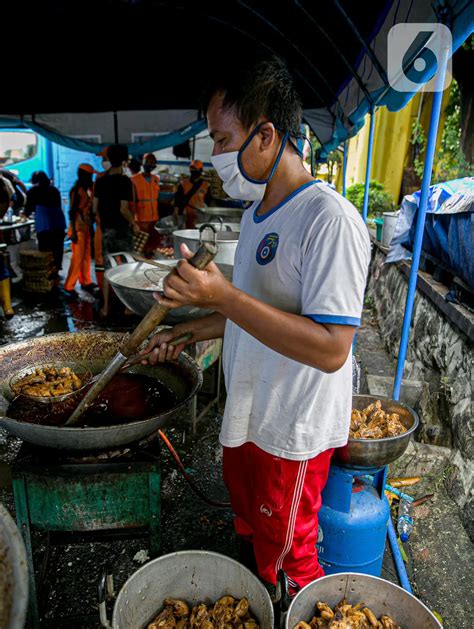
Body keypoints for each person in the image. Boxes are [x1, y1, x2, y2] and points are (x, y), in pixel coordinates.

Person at [142, 56, 371, 594]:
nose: (217, 155)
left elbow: (332, 348)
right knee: (251, 538)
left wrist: (219, 292)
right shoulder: (257, 215)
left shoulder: (328, 219)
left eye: (224, 140)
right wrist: (191, 329)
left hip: (291, 431)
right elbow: (250, 313)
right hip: (249, 418)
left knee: (290, 559)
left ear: (266, 135)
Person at [92, 143, 138, 316]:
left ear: (109, 159)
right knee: (128, 267)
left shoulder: (101, 181)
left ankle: (105, 308)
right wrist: (133, 223)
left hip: (106, 230)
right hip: (122, 230)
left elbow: (94, 208)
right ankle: (128, 307)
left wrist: (104, 220)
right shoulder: (125, 181)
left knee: (108, 268)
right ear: (125, 160)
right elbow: (123, 209)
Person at [64, 164, 97, 298]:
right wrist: (73, 232)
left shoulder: (88, 188)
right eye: (89, 175)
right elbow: (72, 212)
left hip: (86, 227)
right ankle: (69, 286)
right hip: (77, 228)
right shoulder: (76, 190)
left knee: (86, 256)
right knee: (77, 258)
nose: (91, 177)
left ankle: (86, 281)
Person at [25, 171, 66, 276]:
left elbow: (28, 209)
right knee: (57, 248)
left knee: (45, 250)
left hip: (44, 225)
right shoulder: (54, 190)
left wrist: (24, 214)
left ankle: (47, 273)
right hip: (58, 223)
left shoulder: (33, 192)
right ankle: (56, 269)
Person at [131, 153, 160, 255]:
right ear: (142, 163)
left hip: (154, 218)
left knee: (153, 245)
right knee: (141, 247)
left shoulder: (156, 179)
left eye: (152, 162)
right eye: (147, 162)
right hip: (141, 219)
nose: (150, 164)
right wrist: (133, 222)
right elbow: (132, 202)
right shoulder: (134, 180)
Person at [174, 159, 211, 228]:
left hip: (199, 217)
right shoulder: (183, 183)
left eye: (195, 168)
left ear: (200, 170)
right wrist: (176, 211)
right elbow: (177, 199)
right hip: (185, 216)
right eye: (192, 168)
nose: (193, 170)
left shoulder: (206, 185)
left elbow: (208, 202)